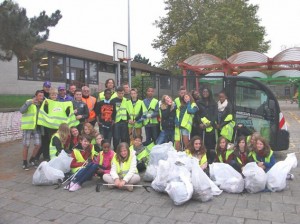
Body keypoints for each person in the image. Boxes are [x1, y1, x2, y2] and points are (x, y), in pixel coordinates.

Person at [20, 90, 44, 170]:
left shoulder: (41, 104)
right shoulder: (29, 102)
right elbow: (21, 111)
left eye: (42, 96)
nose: (41, 97)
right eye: (40, 96)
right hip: (28, 127)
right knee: (26, 145)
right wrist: (29, 102)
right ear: (35, 96)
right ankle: (24, 162)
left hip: (37, 127)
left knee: (38, 144)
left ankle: (32, 159)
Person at [196, 87, 218, 163]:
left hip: (211, 127)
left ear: (209, 93)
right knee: (202, 143)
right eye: (204, 92)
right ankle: (202, 159)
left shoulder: (214, 103)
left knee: (210, 144)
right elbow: (197, 114)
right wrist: (200, 123)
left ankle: (210, 159)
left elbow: (215, 114)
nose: (205, 93)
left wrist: (210, 123)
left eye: (207, 92)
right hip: (202, 127)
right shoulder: (199, 102)